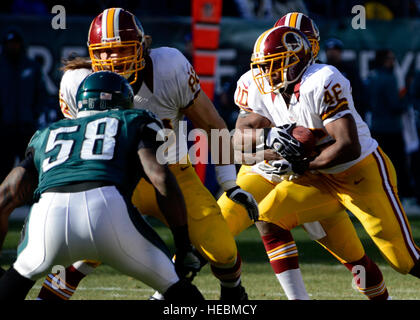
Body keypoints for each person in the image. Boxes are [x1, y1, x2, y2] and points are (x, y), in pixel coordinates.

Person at [37, 8, 258, 301]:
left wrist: (230, 185)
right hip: (113, 176)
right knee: (83, 247)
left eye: (122, 50)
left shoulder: (169, 67)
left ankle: (233, 296)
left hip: (173, 172)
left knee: (222, 249)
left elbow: (212, 124)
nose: (114, 59)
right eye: (106, 52)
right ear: (93, 54)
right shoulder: (77, 82)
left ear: (143, 46)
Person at [230, 25, 420, 299]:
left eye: (274, 65)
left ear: (296, 62)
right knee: (268, 218)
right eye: (262, 66)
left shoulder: (322, 80)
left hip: (359, 173)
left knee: (404, 260)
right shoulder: (260, 87)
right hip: (316, 178)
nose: (266, 74)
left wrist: (302, 164)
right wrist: (269, 138)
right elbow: (238, 138)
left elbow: (348, 146)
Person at [0, 71, 204, 301]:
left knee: (18, 277)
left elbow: (8, 193)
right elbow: (160, 177)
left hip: (48, 213)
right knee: (176, 288)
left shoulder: (47, 133)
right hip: (107, 207)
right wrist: (183, 245)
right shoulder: (134, 119)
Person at [0, 29, 47, 182]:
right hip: (4, 127)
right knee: (3, 166)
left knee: (28, 166)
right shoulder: (1, 66)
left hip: (26, 126)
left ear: (20, 45)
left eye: (15, 43)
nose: (12, 47)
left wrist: (33, 114)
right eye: (9, 44)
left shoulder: (32, 67)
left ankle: (30, 200)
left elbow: (41, 93)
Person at [366, 49, 411, 199]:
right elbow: (395, 105)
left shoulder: (371, 77)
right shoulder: (389, 79)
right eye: (391, 58)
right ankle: (400, 195)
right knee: (396, 163)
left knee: (379, 165)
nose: (393, 62)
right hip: (391, 128)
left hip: (376, 127)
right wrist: (406, 101)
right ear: (385, 60)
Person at [324, 37, 368, 119]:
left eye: (335, 49)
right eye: (329, 50)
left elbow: (358, 92)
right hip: (327, 113)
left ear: (340, 52)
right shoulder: (321, 70)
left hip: (349, 111)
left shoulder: (350, 70)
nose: (332, 52)